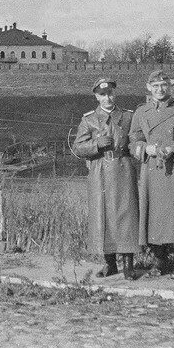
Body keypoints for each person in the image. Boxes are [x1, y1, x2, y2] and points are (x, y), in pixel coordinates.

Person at [130, 70, 174, 279]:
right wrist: (145, 149)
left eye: (164, 85)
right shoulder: (141, 112)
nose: (160, 90)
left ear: (169, 87)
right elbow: (133, 138)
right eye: (155, 86)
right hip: (153, 170)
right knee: (155, 216)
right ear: (148, 88)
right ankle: (160, 262)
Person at [72, 78, 140, 280]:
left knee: (127, 215)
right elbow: (77, 147)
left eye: (110, 93)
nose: (107, 98)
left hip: (123, 169)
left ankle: (128, 264)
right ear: (96, 96)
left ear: (115, 94)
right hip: (100, 171)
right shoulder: (89, 120)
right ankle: (110, 264)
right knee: (104, 216)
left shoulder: (128, 117)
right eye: (102, 94)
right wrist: (96, 144)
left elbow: (136, 139)